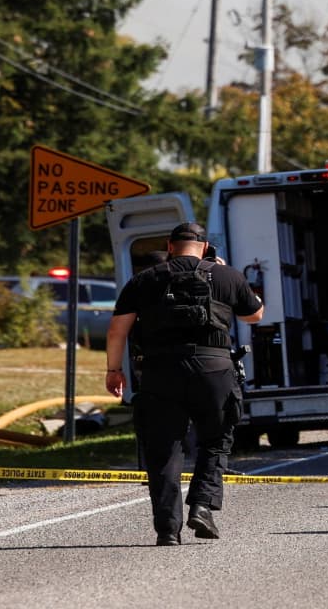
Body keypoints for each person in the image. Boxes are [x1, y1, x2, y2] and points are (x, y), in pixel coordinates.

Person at [107, 222, 263, 544]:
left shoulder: (144, 280)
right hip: (214, 371)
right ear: (205, 247)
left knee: (163, 450)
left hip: (160, 372)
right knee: (215, 440)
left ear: (169, 246)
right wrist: (226, 274)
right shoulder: (227, 276)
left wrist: (114, 370)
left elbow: (117, 331)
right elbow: (254, 315)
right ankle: (202, 506)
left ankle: (167, 530)